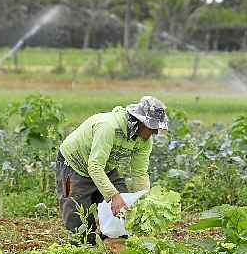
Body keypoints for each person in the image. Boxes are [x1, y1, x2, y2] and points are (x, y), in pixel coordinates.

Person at [55, 96, 168, 245]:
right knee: (79, 223)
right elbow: (94, 167)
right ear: (138, 122)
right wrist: (113, 196)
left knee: (124, 210)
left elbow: (139, 173)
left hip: (104, 166)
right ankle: (85, 251)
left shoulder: (144, 140)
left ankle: (112, 246)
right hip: (75, 165)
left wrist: (144, 200)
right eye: (152, 127)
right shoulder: (108, 127)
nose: (155, 133)